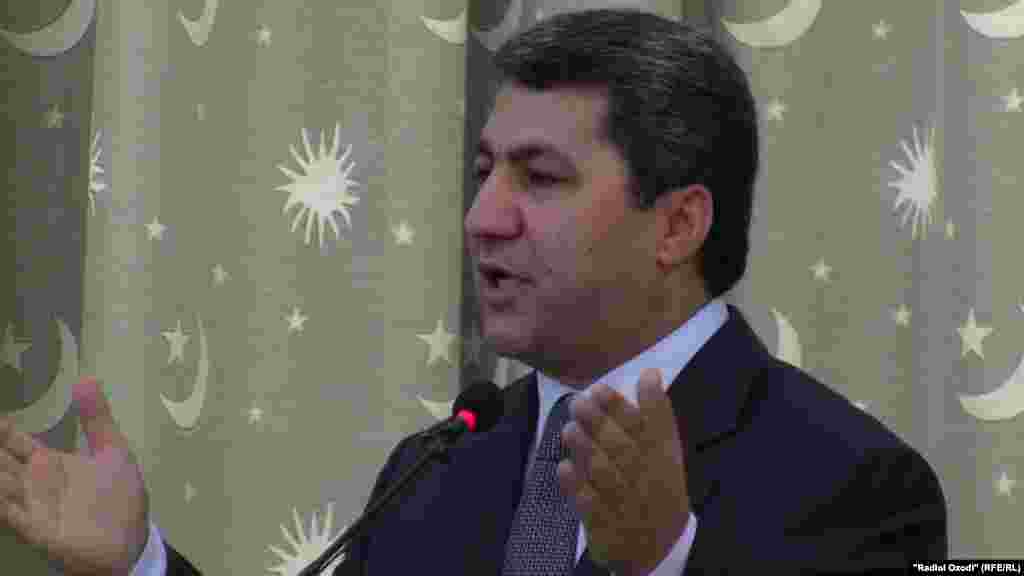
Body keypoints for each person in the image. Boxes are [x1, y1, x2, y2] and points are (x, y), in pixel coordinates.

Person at [0, 8, 947, 576]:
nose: (482, 218)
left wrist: (664, 563)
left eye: (541, 177)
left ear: (677, 225)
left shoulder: (859, 487)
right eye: (485, 172)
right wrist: (138, 566)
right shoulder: (435, 471)